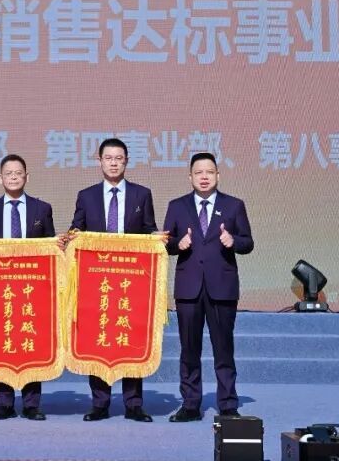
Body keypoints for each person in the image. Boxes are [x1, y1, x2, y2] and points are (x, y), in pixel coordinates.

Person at [69, 138, 157, 422]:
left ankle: (134, 404)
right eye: (109, 158)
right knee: (99, 336)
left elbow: (149, 231)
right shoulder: (86, 196)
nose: (114, 163)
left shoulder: (142, 195)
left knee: (130, 335)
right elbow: (77, 229)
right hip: (97, 282)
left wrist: (156, 238)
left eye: (119, 158)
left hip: (132, 282)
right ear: (100, 161)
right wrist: (71, 236)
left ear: (126, 161)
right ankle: (100, 403)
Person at [163, 152, 254, 421]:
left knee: (223, 348)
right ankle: (191, 404)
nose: (204, 177)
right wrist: (177, 244)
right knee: (189, 349)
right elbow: (166, 243)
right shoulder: (177, 206)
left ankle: (228, 404)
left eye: (209, 172)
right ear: (190, 177)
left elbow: (248, 242)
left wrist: (233, 241)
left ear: (218, 175)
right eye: (199, 172)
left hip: (222, 287)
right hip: (188, 288)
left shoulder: (234, 205)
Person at [0, 154, 55, 421]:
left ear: (27, 177)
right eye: (9, 173)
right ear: (0, 179)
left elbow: (50, 246)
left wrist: (57, 247)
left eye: (18, 173)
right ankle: (4, 403)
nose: (14, 177)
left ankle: (31, 404)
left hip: (32, 290)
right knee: (1, 340)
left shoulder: (42, 209)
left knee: (31, 340)